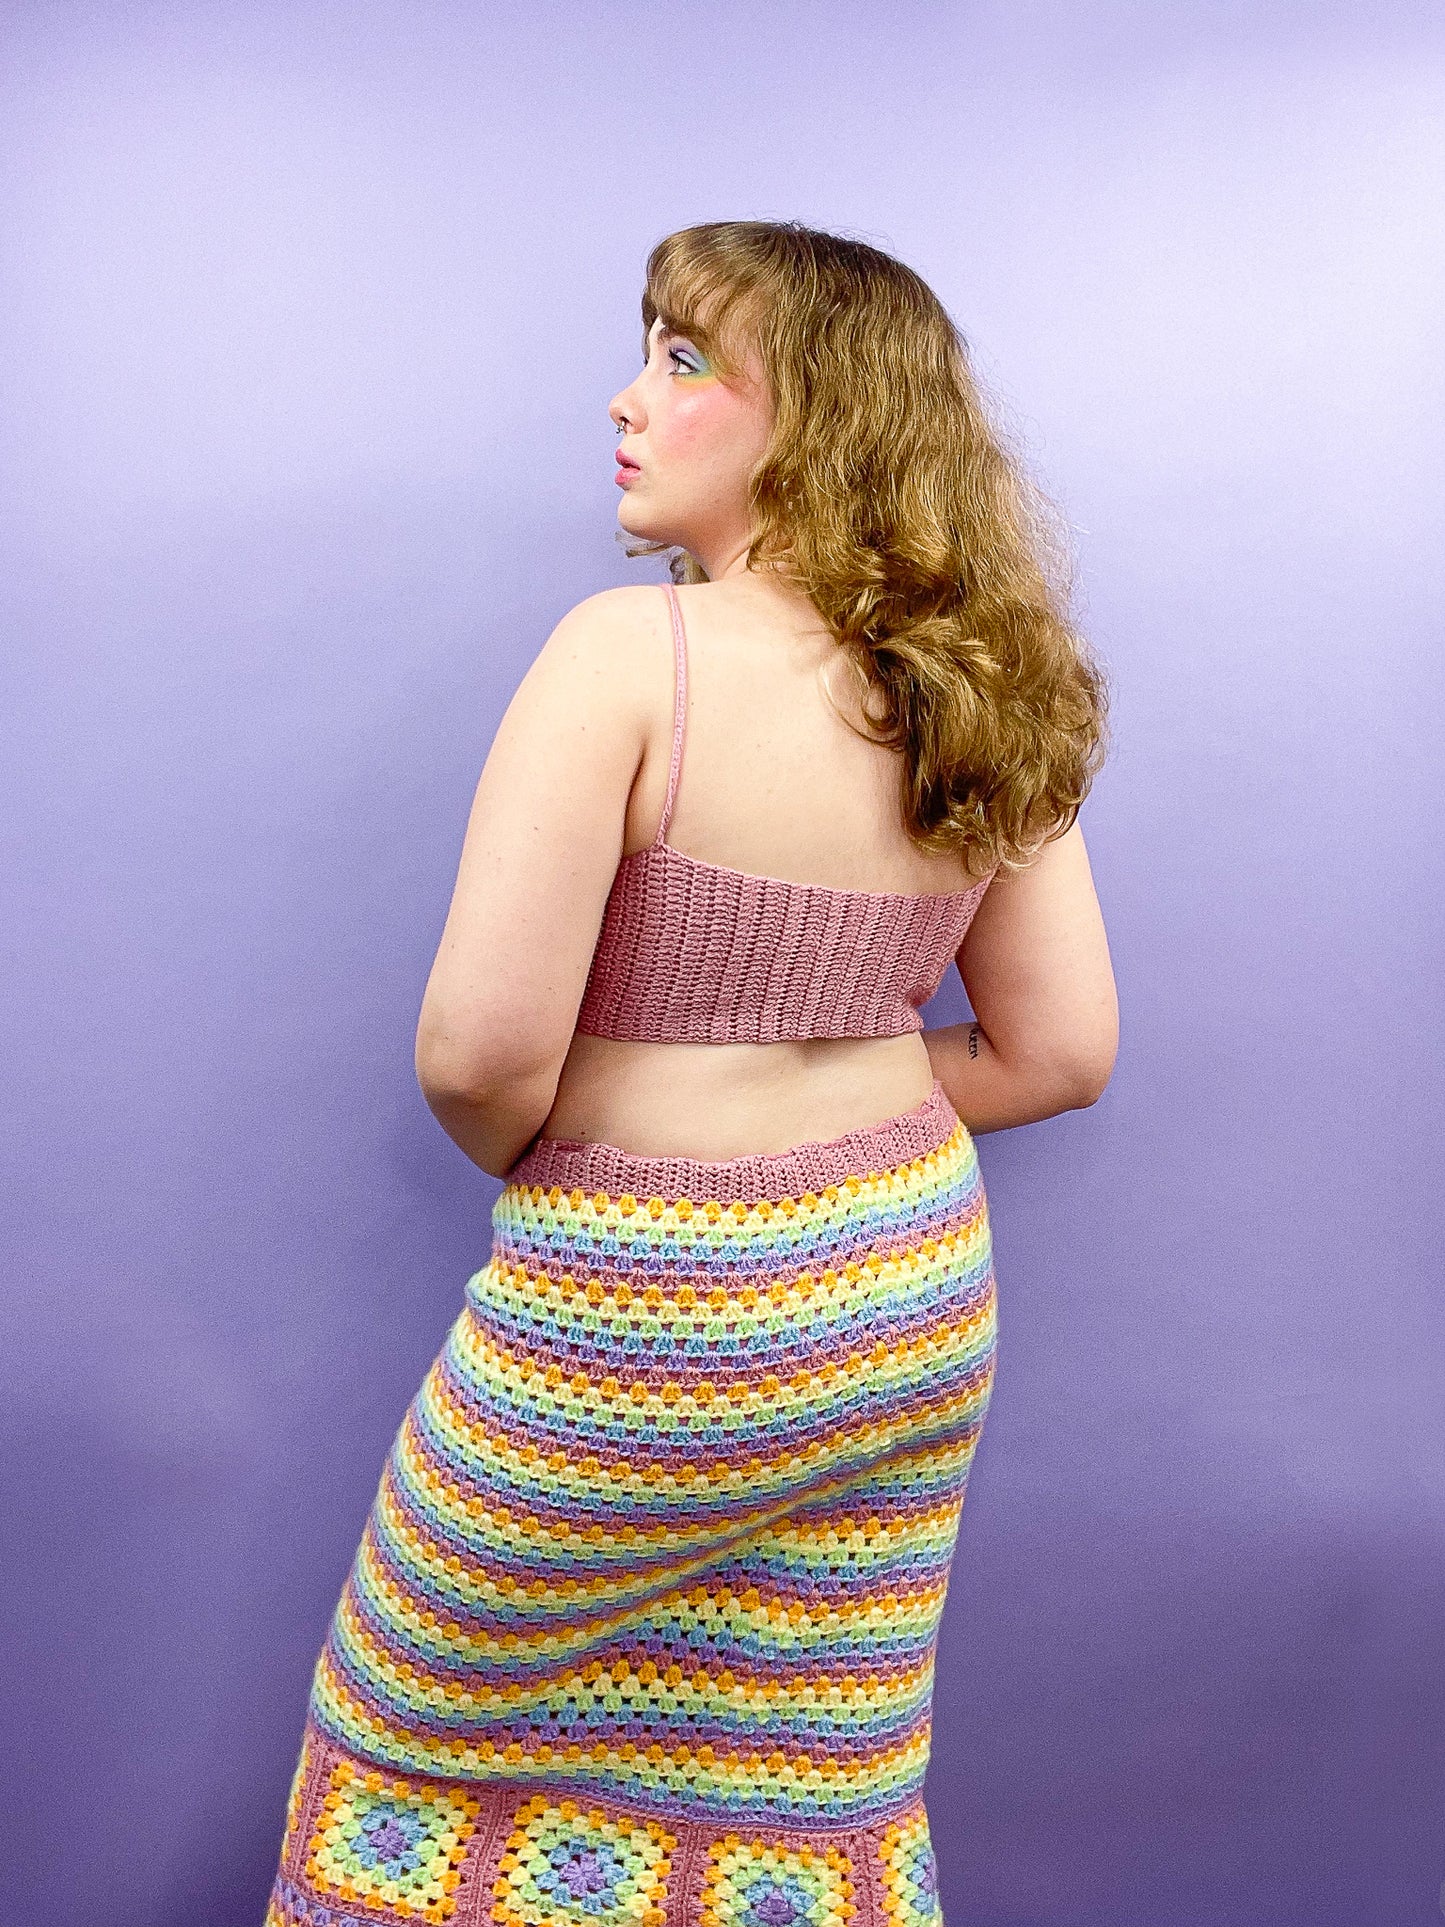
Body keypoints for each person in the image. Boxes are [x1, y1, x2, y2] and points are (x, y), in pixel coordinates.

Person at [262, 219, 1117, 1927]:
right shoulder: (989, 684)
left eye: (679, 359)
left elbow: (476, 1052)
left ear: (812, 415)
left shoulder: (627, 654)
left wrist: (600, 1163)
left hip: (640, 1309)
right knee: (805, 1781)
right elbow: (1060, 1051)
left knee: (415, 1762)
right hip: (905, 1298)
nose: (624, 400)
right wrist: (836, 1110)